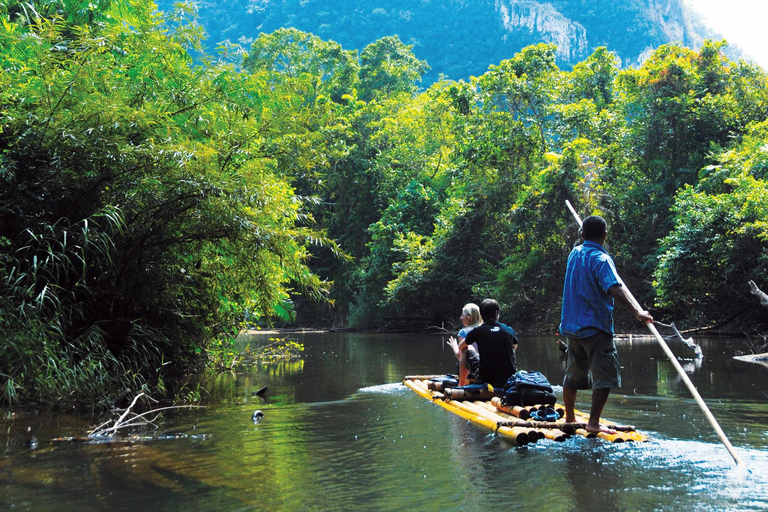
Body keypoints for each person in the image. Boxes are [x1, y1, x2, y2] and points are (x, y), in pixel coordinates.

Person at [559, 215, 654, 434]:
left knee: (573, 374)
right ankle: (593, 422)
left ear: (582, 235)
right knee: (604, 376)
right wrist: (638, 312)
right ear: (604, 236)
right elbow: (614, 288)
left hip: (572, 328)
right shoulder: (601, 260)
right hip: (595, 328)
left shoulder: (574, 254)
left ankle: (571, 418)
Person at [459, 299, 518, 389]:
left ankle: (461, 384)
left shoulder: (477, 331)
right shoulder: (508, 329)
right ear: (496, 313)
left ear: (481, 314)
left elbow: (461, 347)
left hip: (486, 379)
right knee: (511, 346)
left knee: (468, 347)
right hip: (509, 379)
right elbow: (515, 346)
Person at [447, 303, 482, 386]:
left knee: (460, 361)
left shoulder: (464, 332)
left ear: (469, 318)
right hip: (486, 371)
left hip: (472, 374)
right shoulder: (485, 329)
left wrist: (455, 347)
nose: (461, 318)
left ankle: (461, 384)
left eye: (463, 315)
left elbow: (461, 356)